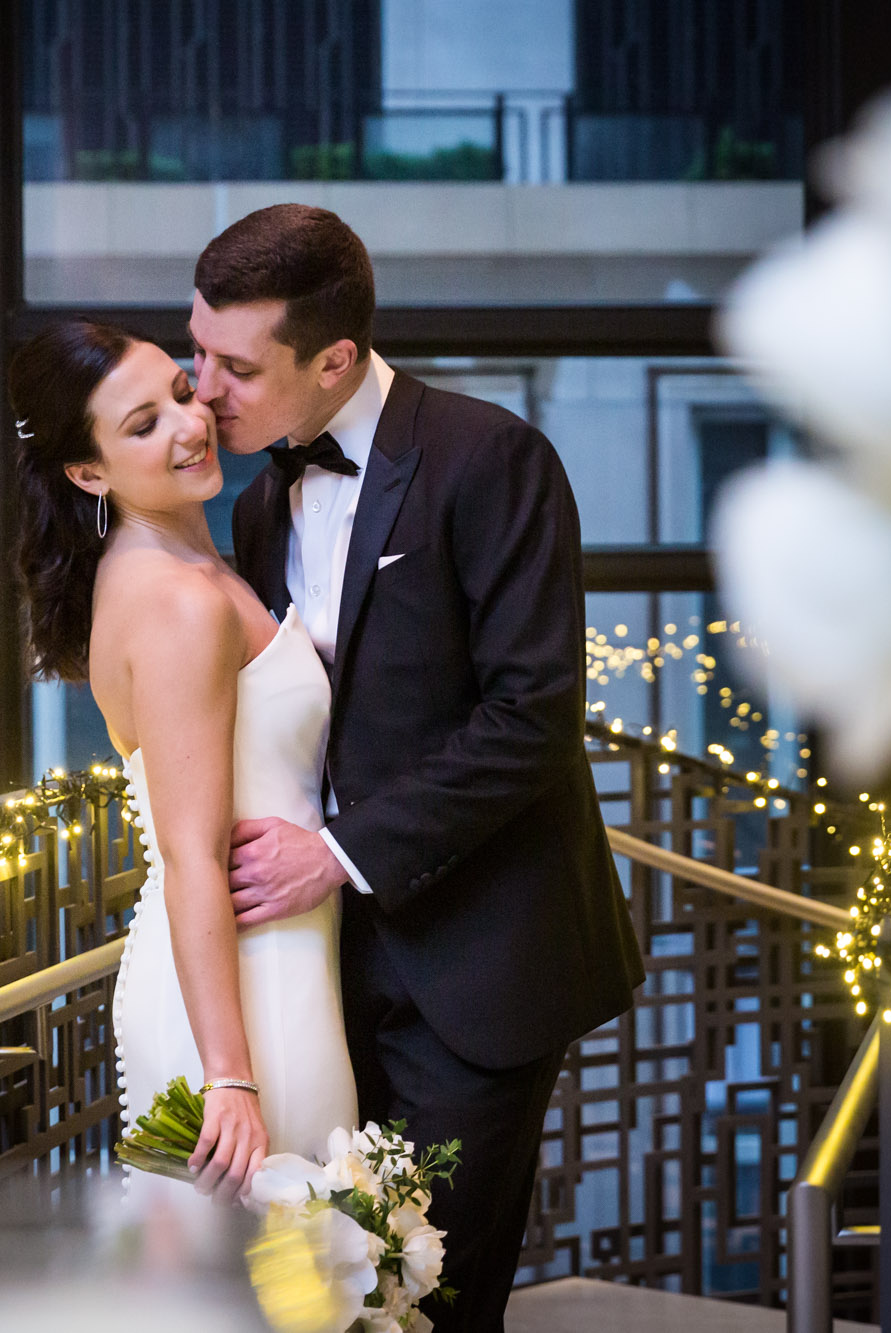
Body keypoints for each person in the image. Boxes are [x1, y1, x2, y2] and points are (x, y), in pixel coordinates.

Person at [192, 204, 646, 1333]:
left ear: (334, 357)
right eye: (195, 349)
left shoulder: (492, 457)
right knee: (311, 1288)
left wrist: (339, 854)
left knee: (426, 1291)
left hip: (478, 962)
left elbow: (532, 714)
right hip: (319, 973)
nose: (204, 389)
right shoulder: (255, 504)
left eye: (235, 365)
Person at [8, 320, 357, 1220]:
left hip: (277, 955)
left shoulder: (195, 562)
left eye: (178, 389)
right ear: (88, 473)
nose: (188, 422)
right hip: (246, 984)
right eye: (142, 424)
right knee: (286, 1276)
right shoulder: (174, 603)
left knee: (306, 1285)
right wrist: (229, 1074)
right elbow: (192, 853)